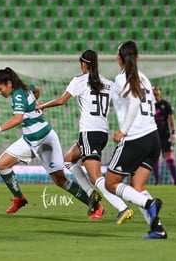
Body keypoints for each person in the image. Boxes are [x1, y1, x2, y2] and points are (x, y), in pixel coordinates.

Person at [0, 67, 102, 217]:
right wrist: (36, 105)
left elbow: (17, 119)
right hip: (29, 139)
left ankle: (96, 207)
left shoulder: (17, 95)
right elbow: (36, 89)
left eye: (0, 88)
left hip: (45, 140)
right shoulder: (23, 87)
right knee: (2, 164)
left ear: (9, 84)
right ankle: (19, 198)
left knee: (60, 180)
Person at [36, 50, 133, 223]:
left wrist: (43, 105)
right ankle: (91, 195)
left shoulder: (80, 81)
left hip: (90, 133)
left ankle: (122, 207)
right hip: (102, 132)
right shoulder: (108, 83)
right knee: (68, 160)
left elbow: (61, 100)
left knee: (96, 176)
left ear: (83, 64)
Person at [105, 41, 167, 239]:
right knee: (137, 188)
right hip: (153, 138)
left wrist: (123, 130)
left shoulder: (122, 77)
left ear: (118, 58)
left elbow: (133, 102)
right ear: (138, 57)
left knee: (110, 183)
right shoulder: (144, 79)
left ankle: (150, 204)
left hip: (135, 138)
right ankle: (157, 229)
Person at [152, 85, 176, 185]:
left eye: (157, 89)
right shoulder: (149, 105)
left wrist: (174, 132)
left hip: (165, 135)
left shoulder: (165, 104)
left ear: (160, 91)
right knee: (155, 158)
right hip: (153, 136)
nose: (155, 92)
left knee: (169, 157)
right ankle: (157, 181)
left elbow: (171, 119)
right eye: (153, 90)